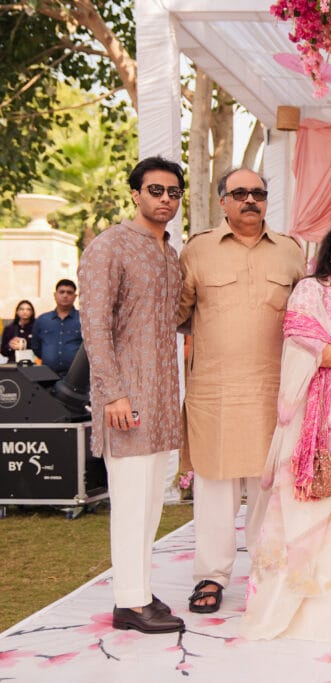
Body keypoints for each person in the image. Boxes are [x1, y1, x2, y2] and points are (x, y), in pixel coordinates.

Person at [240, 217, 331, 642]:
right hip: (325, 404)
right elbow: (299, 337)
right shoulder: (312, 289)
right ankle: (304, 600)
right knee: (322, 493)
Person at [177, 168, 306, 614]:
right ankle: (211, 576)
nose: (250, 200)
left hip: (273, 388)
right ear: (223, 202)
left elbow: (306, 319)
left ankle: (266, 572)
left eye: (258, 193)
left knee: (267, 487)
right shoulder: (197, 251)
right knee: (214, 486)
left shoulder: (291, 252)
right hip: (214, 390)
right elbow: (178, 314)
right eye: (240, 193)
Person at [77, 155, 186, 634]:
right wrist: (113, 394)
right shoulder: (109, 247)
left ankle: (136, 591)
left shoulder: (169, 253)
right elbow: (95, 327)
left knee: (150, 503)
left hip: (163, 397)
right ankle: (130, 600)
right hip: (128, 399)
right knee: (130, 500)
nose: (165, 199)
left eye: (173, 192)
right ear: (136, 193)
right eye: (156, 190)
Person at [31, 279, 83, 376]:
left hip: (76, 377)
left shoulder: (83, 320)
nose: (65, 295)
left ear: (75, 297)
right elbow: (35, 346)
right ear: (55, 295)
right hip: (47, 375)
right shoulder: (42, 320)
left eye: (69, 292)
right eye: (61, 292)